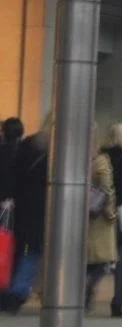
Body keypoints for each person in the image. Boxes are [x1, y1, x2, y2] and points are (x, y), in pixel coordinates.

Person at [0, 113, 51, 314]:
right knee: (33, 251)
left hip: (19, 206)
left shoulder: (27, 145)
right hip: (39, 208)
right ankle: (18, 292)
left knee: (16, 248)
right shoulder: (55, 151)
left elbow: (12, 175)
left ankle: (8, 290)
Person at [96, 123, 122, 317]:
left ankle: (92, 282)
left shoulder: (102, 156)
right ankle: (118, 301)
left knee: (102, 247)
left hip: (103, 207)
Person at [84, 123, 118, 315]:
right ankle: (88, 287)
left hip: (81, 214)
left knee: (86, 258)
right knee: (103, 260)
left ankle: (82, 287)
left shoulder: (76, 159)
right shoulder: (101, 160)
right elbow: (107, 188)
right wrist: (110, 212)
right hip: (99, 217)